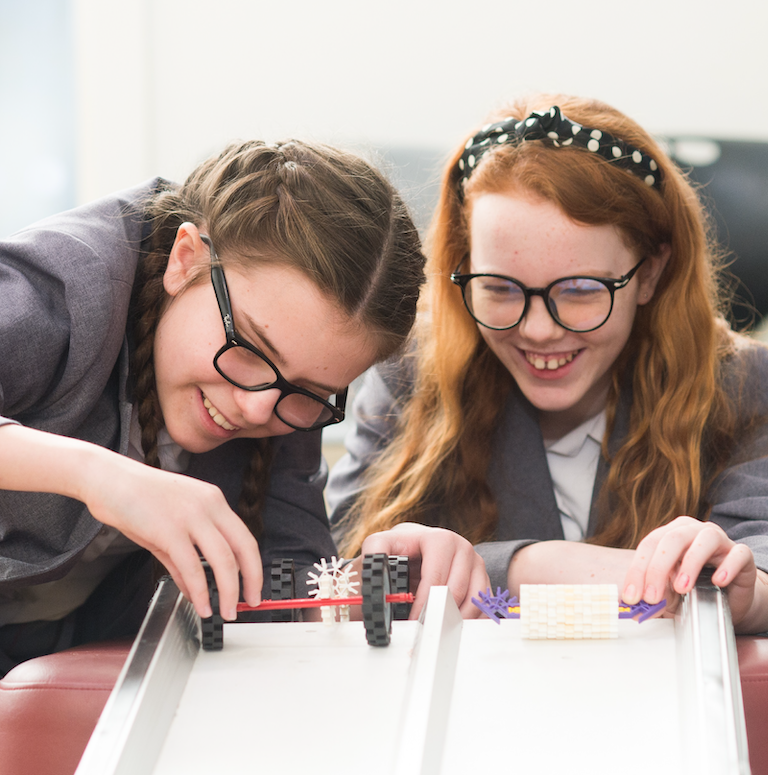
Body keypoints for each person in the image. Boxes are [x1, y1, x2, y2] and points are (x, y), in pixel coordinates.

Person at [328, 94, 768, 634]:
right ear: (461, 268)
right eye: (499, 288)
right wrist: (520, 566)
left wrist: (744, 591)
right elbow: (334, 576)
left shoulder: (744, 385)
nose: (538, 329)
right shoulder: (409, 373)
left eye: (581, 289)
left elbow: (760, 563)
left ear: (650, 273)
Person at [0, 138, 431, 674]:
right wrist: (100, 477)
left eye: (309, 390)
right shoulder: (63, 284)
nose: (256, 410)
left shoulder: (288, 395)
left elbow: (288, 575)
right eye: (250, 349)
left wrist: (364, 587)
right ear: (186, 260)